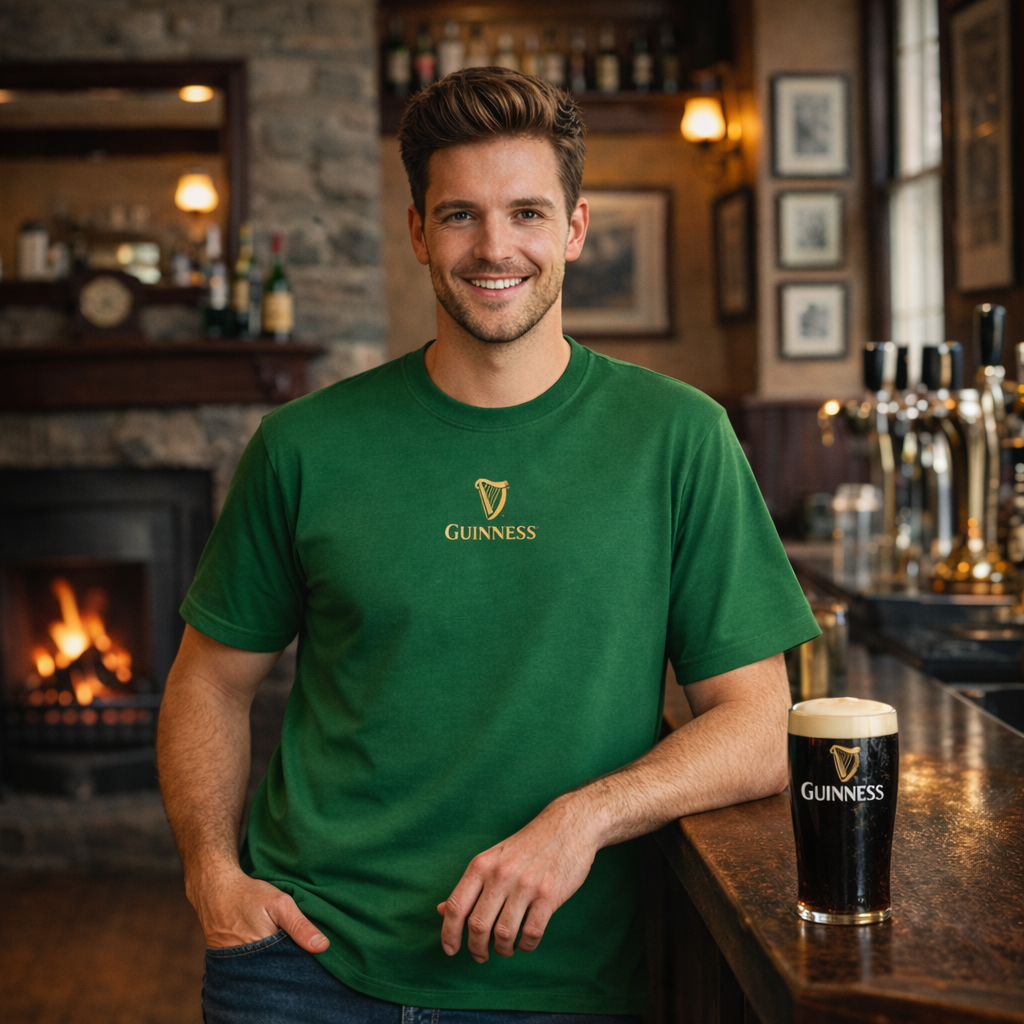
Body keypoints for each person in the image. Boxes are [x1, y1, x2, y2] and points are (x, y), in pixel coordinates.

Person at [157, 67, 818, 1022]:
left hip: (559, 980)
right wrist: (211, 876)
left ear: (576, 229)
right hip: (299, 965)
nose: (495, 247)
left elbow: (761, 725)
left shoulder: (679, 436)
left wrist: (579, 820)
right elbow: (209, 681)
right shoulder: (304, 445)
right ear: (420, 231)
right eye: (461, 216)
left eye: (527, 214)